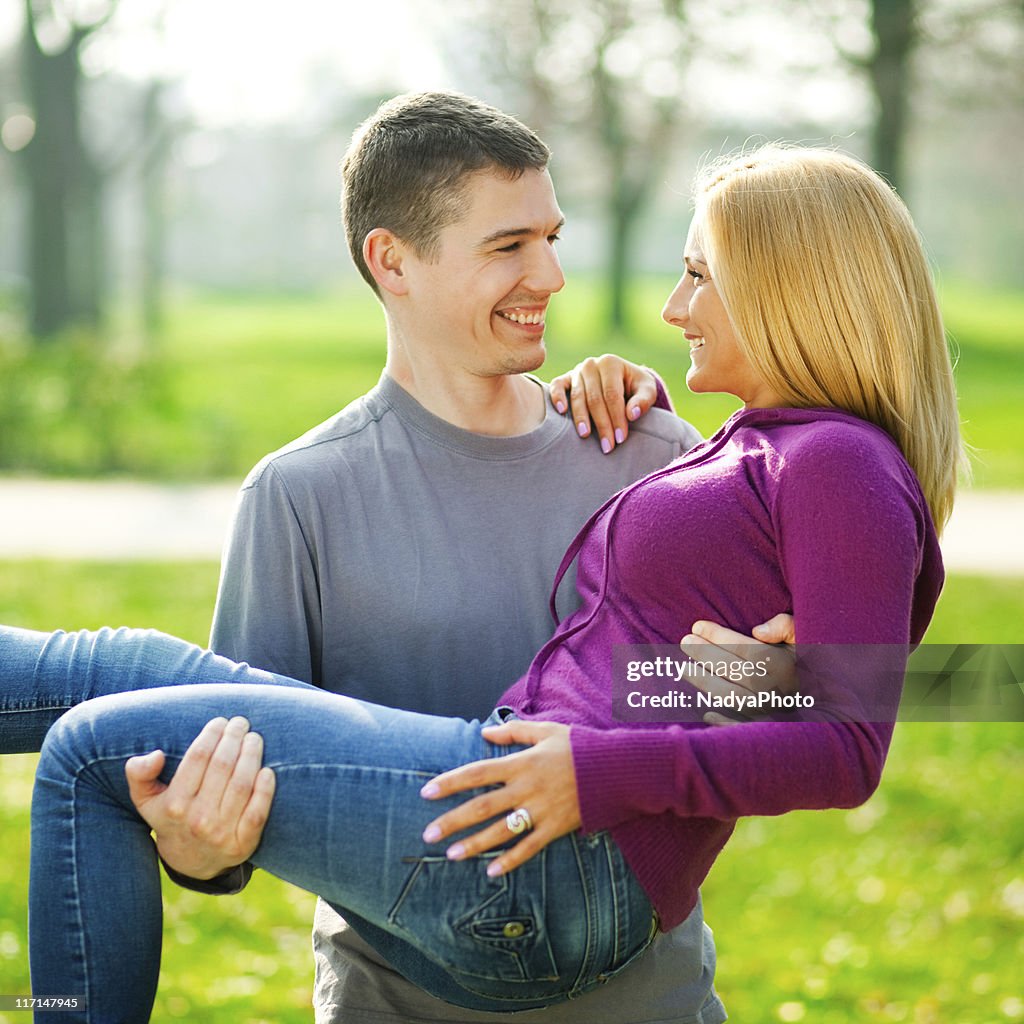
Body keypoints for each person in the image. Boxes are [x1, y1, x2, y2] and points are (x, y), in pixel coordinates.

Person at [6, 141, 961, 1022]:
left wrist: (694, 716)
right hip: (446, 936)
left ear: (791, 291)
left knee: (94, 738)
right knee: (120, 690)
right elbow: (676, 651)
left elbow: (862, 716)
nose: (668, 308)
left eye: (698, 276)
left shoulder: (733, 455)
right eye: (508, 245)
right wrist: (198, 852)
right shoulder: (302, 493)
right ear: (393, 261)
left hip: (565, 894)